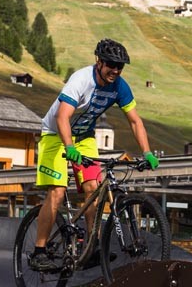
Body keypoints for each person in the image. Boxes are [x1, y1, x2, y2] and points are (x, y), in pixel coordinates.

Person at [29, 38, 160, 268]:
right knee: (57, 192)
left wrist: (147, 152)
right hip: (55, 134)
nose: (115, 70)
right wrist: (68, 147)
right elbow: (62, 117)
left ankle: (92, 245)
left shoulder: (120, 86)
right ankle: (39, 250)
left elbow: (135, 121)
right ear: (98, 61)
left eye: (120, 66)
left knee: (93, 187)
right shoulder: (81, 80)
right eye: (111, 64)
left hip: (84, 137)